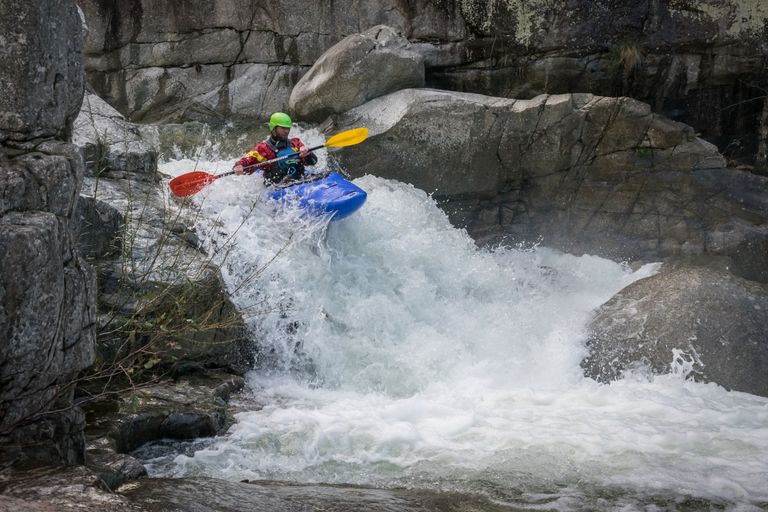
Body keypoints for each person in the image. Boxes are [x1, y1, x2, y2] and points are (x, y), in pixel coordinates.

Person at [232, 112, 318, 184]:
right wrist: (239, 166)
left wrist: (307, 154)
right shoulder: (263, 149)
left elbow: (313, 162)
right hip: (278, 185)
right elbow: (247, 160)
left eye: (288, 128)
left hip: (299, 179)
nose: (286, 131)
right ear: (273, 128)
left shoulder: (295, 143)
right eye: (283, 128)